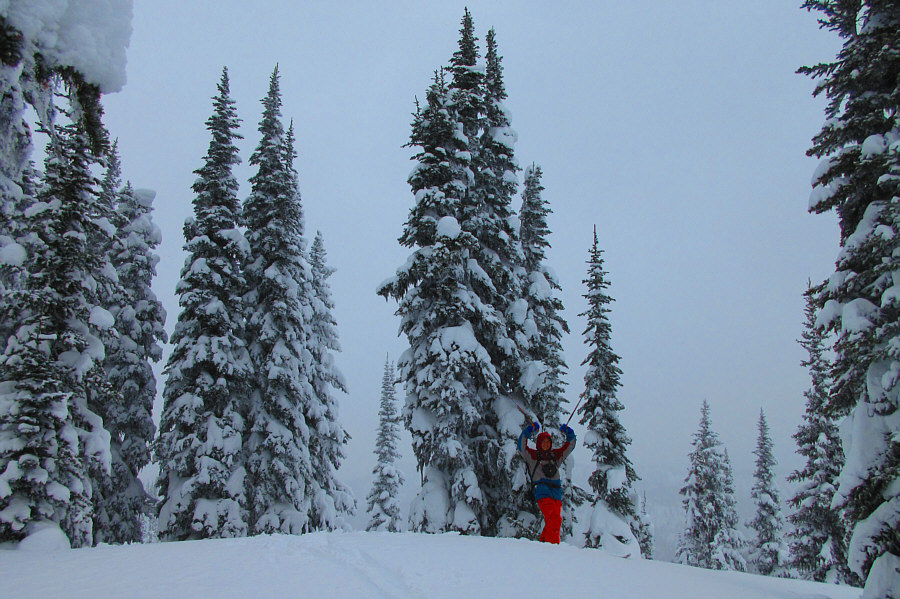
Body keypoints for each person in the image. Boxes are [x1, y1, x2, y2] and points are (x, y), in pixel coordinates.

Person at [517, 422, 576, 544]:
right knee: (553, 519)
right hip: (542, 491)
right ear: (539, 443)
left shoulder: (555, 456)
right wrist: (530, 430)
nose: (546, 444)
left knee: (553, 520)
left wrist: (569, 433)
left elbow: (570, 446)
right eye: (543, 442)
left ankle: (543, 545)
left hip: (556, 493)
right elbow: (521, 446)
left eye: (548, 442)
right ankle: (553, 547)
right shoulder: (533, 456)